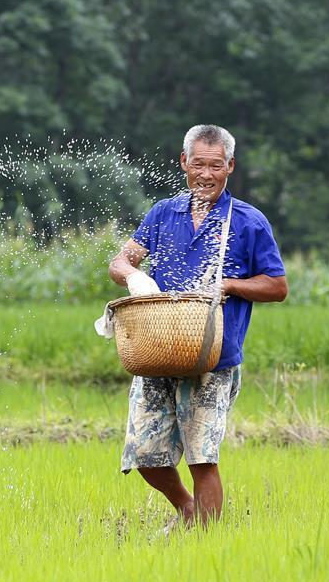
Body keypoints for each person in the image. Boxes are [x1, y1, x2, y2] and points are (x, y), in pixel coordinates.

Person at [109, 124, 287, 527]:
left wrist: (230, 285)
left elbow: (277, 286)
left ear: (230, 167)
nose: (206, 175)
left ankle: (206, 543)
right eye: (198, 165)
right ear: (184, 162)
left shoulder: (247, 222)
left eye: (215, 166)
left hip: (213, 356)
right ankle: (188, 510)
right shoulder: (163, 213)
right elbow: (121, 261)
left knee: (201, 458)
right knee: (145, 456)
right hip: (157, 353)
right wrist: (133, 276)